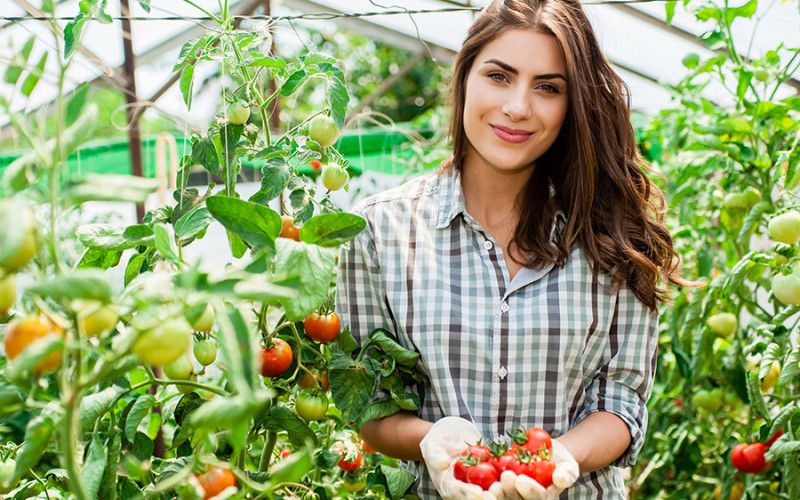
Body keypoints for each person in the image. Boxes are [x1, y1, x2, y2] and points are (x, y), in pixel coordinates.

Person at [336, 0, 685, 498]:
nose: (519, 106)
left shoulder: (609, 233)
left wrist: (562, 457)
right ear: (464, 78)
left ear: (573, 105)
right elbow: (369, 404)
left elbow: (621, 400)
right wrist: (434, 441)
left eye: (548, 87)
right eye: (499, 76)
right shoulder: (378, 231)